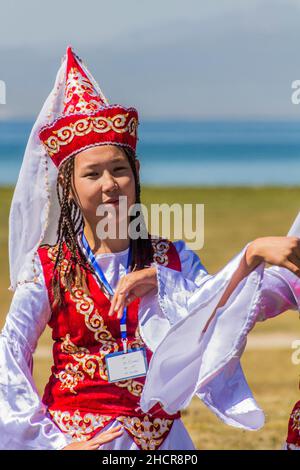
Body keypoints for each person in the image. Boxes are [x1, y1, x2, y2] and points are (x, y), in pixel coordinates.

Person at [0, 46, 299, 450]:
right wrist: (50, 444)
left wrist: (244, 258)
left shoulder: (172, 258)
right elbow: (10, 353)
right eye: (93, 174)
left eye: (119, 169)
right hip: (80, 436)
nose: (109, 184)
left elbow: (217, 313)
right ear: (69, 185)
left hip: (165, 440)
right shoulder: (49, 267)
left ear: (136, 173)